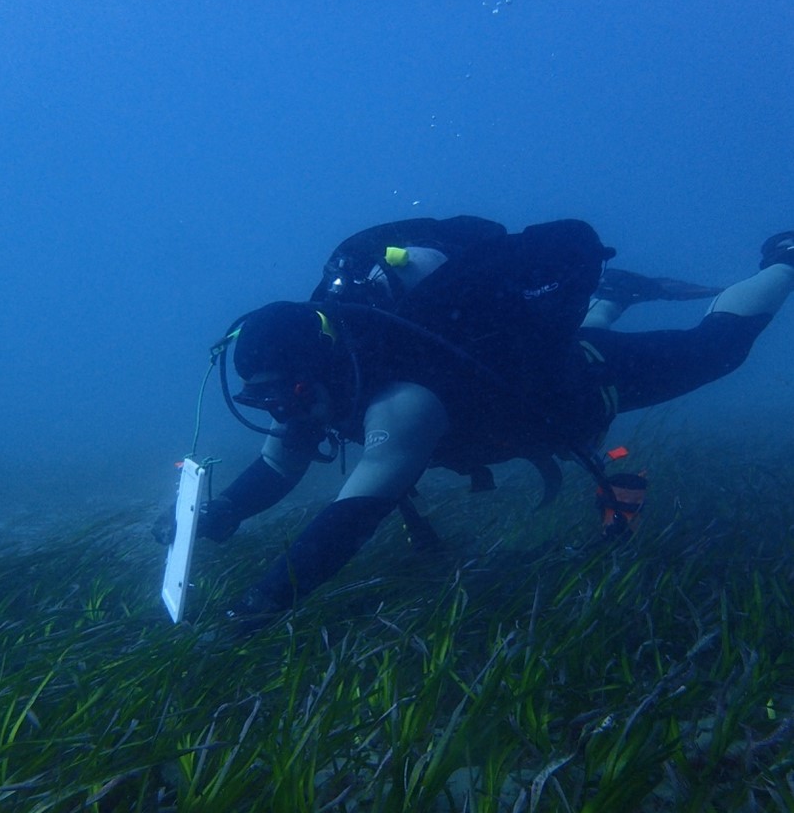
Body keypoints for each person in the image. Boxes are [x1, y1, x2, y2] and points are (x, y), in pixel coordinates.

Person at [155, 220, 794, 622]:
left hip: (577, 387)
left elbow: (351, 517)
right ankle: (614, 297)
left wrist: (260, 606)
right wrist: (222, 511)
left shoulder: (405, 403)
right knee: (593, 339)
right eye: (266, 402)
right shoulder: (318, 386)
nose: (285, 414)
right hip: (514, 394)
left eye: (291, 395)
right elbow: (276, 467)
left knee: (714, 352)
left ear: (320, 366)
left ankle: (782, 259)